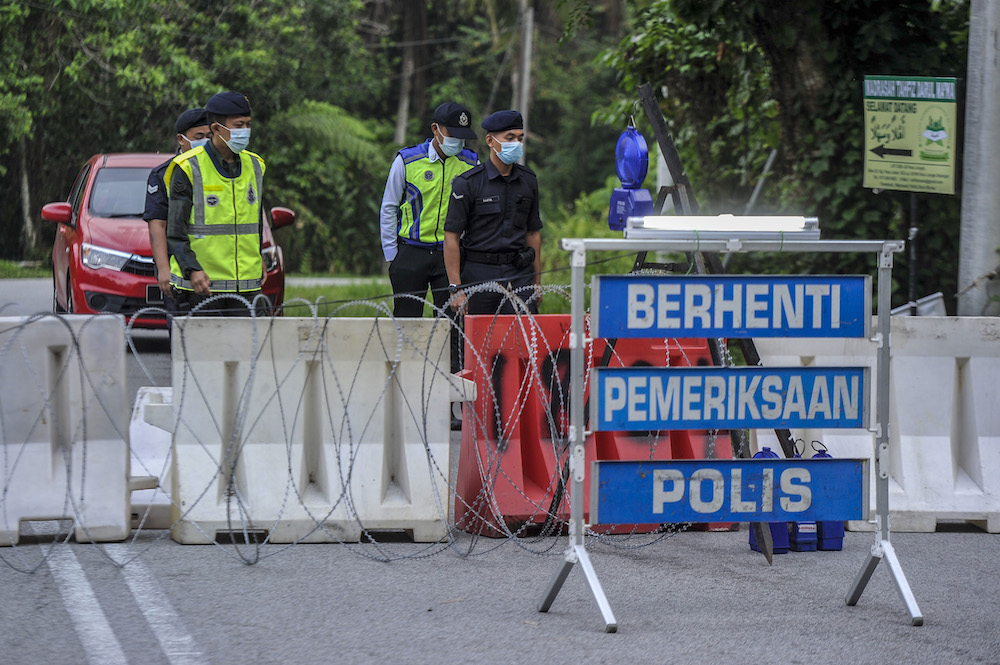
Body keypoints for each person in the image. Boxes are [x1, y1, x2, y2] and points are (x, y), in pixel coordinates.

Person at [166, 91, 267, 316]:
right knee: (202, 351)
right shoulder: (187, 167)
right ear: (216, 128)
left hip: (247, 288)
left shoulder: (256, 166)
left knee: (247, 350)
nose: (245, 131)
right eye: (238, 125)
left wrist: (258, 256)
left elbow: (255, 223)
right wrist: (191, 270)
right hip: (201, 287)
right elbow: (175, 231)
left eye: (248, 125)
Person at [379, 101, 478, 318]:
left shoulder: (470, 162)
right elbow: (389, 207)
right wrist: (392, 256)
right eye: (452, 134)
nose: (458, 141)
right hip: (411, 252)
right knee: (407, 322)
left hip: (450, 255)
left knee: (450, 324)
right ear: (436, 129)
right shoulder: (407, 160)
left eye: (462, 136)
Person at [444, 110, 542, 316]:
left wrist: (537, 282)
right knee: (478, 342)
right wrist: (456, 288)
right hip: (479, 273)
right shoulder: (468, 183)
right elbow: (451, 237)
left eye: (520, 138)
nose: (517, 143)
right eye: (510, 138)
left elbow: (533, 233)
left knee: (523, 339)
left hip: (519, 273)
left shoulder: (528, 180)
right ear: (490, 140)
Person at [143, 108, 210, 322]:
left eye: (210, 137)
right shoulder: (164, 174)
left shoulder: (219, 170)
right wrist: (164, 268)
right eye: (199, 137)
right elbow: (157, 225)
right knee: (184, 337)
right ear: (181, 139)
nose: (205, 142)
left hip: (212, 267)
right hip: (179, 270)